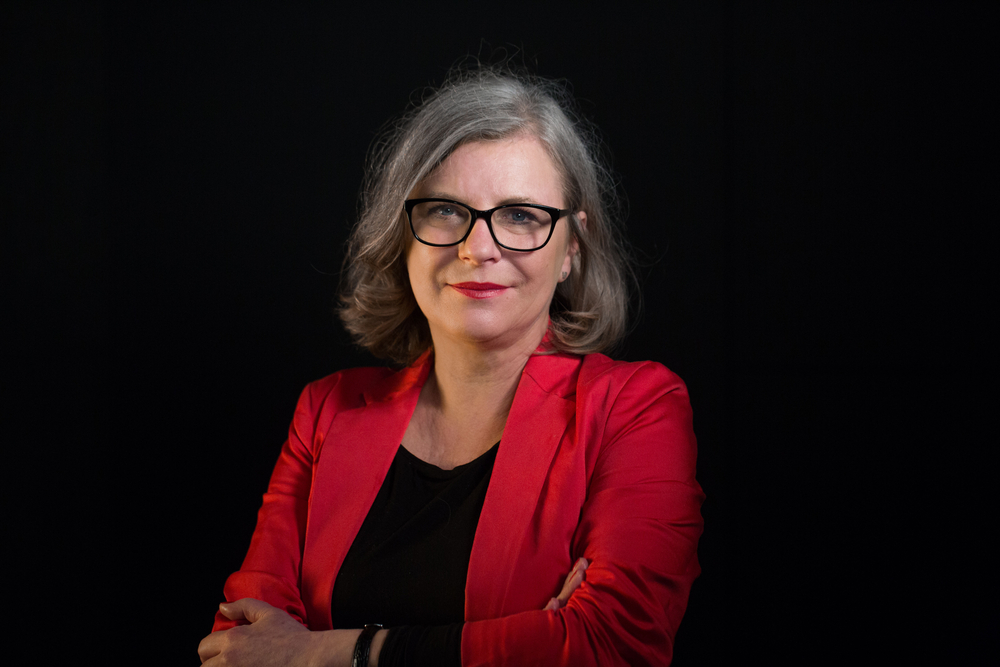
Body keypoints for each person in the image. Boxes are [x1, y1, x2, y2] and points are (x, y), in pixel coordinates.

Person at [198, 66, 704, 667]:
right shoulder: (326, 412)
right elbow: (240, 649)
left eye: (521, 216)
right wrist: (529, 641)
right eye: (444, 210)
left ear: (572, 247)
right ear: (402, 235)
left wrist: (325, 653)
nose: (477, 247)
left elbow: (610, 645)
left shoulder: (636, 408)